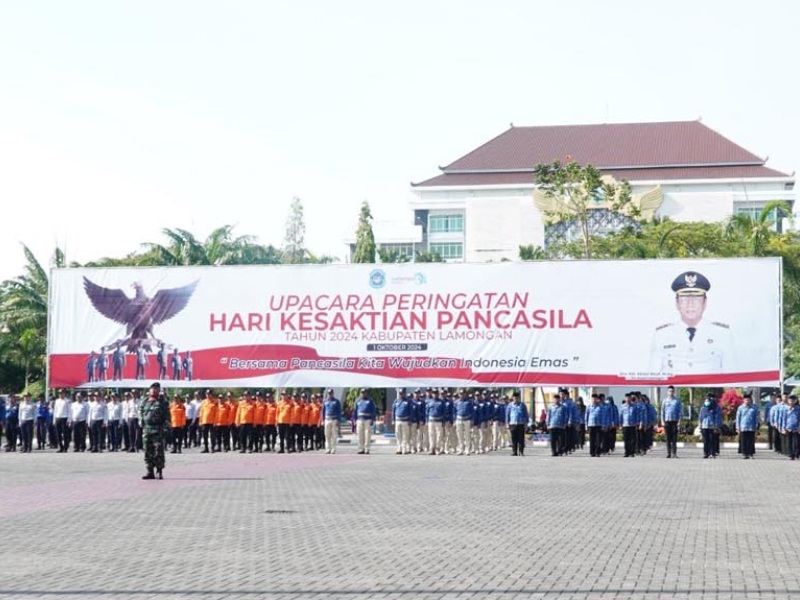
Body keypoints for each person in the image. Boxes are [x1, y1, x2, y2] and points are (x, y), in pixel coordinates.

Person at [650, 271, 735, 374]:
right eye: (685, 298)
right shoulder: (661, 335)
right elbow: (653, 376)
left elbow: (732, 377)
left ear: (704, 303)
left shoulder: (722, 334)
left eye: (696, 297)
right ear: (677, 303)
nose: (690, 303)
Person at [140, 382, 170, 480]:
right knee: (147, 451)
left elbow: (167, 416)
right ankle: (150, 471)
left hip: (158, 430)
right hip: (147, 430)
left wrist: (166, 429)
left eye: (156, 389)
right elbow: (141, 412)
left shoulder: (162, 401)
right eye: (152, 388)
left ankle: (159, 471)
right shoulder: (145, 401)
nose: (154, 390)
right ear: (149, 390)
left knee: (158, 451)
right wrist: (141, 422)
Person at [736, 392, 760, 459]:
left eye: (748, 400)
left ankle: (751, 453)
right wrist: (737, 427)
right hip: (743, 427)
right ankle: (745, 453)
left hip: (751, 427)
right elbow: (738, 418)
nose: (747, 401)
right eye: (746, 400)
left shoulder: (754, 408)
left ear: (750, 400)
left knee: (751, 441)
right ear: (743, 400)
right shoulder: (740, 408)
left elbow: (756, 418)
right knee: (744, 441)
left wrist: (756, 426)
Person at [660, 385, 682, 458]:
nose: (671, 392)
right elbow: (662, 412)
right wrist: (662, 421)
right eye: (669, 391)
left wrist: (679, 421)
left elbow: (679, 412)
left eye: (672, 391)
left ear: (674, 392)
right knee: (668, 438)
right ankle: (668, 453)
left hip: (674, 421)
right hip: (667, 421)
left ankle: (674, 453)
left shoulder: (677, 401)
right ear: (667, 392)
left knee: (674, 438)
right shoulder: (664, 401)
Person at [699, 394, 722, 459]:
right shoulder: (703, 408)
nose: (707, 402)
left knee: (712, 440)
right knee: (706, 441)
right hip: (704, 426)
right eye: (706, 401)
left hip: (712, 427)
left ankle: (712, 453)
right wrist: (700, 426)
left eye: (708, 401)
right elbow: (700, 417)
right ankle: (706, 453)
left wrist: (717, 426)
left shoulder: (715, 408)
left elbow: (717, 417)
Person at [354, 388, 376, 455]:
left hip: (368, 420)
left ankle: (367, 449)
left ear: (367, 393)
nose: (363, 394)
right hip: (359, 419)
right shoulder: (357, 400)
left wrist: (372, 419)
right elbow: (355, 411)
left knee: (367, 435)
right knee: (360, 435)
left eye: (364, 392)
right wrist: (354, 420)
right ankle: (361, 449)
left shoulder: (370, 400)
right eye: (362, 392)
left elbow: (373, 410)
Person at [392, 389, 413, 455]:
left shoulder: (408, 401)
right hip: (398, 420)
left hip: (405, 421)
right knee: (398, 435)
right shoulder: (396, 401)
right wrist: (393, 420)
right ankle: (399, 449)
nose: (401, 394)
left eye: (402, 393)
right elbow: (393, 411)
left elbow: (411, 411)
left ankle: (404, 450)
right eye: (400, 393)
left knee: (405, 435)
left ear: (404, 393)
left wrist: (410, 420)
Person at [780, 395, 800, 460]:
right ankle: (790, 454)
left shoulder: (798, 409)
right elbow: (783, 419)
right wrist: (783, 428)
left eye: (792, 401)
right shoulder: (786, 409)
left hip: (796, 428)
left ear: (795, 401)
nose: (791, 402)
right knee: (789, 442)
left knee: (796, 442)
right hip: (788, 428)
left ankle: (795, 454)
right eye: (790, 401)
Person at [322, 388, 342, 454]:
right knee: (327, 435)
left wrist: (338, 421)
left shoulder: (336, 402)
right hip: (327, 419)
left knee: (334, 435)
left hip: (334, 419)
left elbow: (339, 412)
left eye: (331, 393)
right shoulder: (325, 401)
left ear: (333, 394)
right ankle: (328, 449)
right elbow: (323, 411)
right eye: (329, 393)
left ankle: (333, 449)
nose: (330, 395)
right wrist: (323, 420)